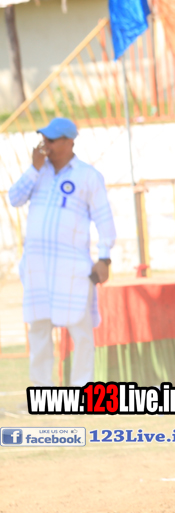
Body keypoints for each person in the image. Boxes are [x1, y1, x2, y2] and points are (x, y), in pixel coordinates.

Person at [8, 117, 114, 388]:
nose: (46, 145)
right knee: (39, 330)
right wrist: (34, 168)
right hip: (38, 267)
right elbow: (14, 198)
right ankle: (42, 392)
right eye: (44, 139)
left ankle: (82, 390)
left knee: (80, 331)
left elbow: (104, 219)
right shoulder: (38, 172)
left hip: (72, 269)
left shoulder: (88, 176)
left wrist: (104, 258)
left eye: (52, 140)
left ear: (69, 142)